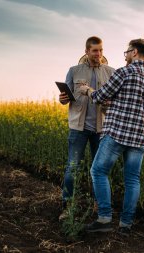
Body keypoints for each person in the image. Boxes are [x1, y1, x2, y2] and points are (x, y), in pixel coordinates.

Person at [78, 38, 144, 236]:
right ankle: (126, 225)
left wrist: (86, 90)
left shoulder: (124, 72)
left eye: (126, 52)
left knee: (98, 171)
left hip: (117, 133)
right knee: (132, 180)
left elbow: (99, 96)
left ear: (134, 52)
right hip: (140, 138)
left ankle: (104, 218)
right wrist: (142, 133)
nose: (125, 56)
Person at [58, 36, 115, 220]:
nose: (98, 54)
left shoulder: (111, 72)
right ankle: (68, 206)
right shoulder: (73, 71)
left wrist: (108, 102)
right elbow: (64, 97)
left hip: (102, 129)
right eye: (95, 50)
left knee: (100, 170)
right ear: (87, 51)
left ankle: (99, 206)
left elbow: (114, 101)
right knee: (72, 167)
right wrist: (62, 99)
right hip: (78, 128)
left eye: (101, 50)